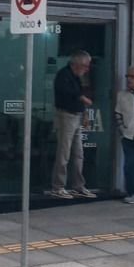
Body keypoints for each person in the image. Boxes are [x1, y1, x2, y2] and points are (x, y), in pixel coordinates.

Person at [51, 49, 96, 200]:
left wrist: (84, 114)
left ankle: (78, 185)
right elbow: (67, 92)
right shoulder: (63, 75)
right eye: (85, 66)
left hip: (76, 116)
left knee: (78, 154)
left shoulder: (77, 77)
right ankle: (58, 186)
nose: (87, 69)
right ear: (76, 64)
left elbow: (78, 93)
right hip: (65, 115)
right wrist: (82, 98)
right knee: (64, 153)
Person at [115, 66, 134, 204]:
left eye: (132, 76)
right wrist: (122, 130)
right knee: (129, 165)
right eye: (127, 76)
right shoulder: (122, 95)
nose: (129, 79)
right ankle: (132, 193)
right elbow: (117, 113)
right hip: (129, 136)